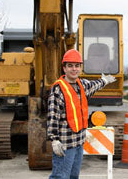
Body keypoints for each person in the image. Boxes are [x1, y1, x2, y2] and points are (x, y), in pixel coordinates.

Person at [47, 49, 116, 179]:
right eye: (70, 66)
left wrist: (104, 81)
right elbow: (52, 116)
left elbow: (94, 85)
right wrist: (54, 139)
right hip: (65, 144)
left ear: (80, 68)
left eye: (77, 66)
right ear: (64, 68)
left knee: (74, 177)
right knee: (60, 177)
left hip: (79, 142)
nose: (74, 69)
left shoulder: (82, 85)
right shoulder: (58, 89)